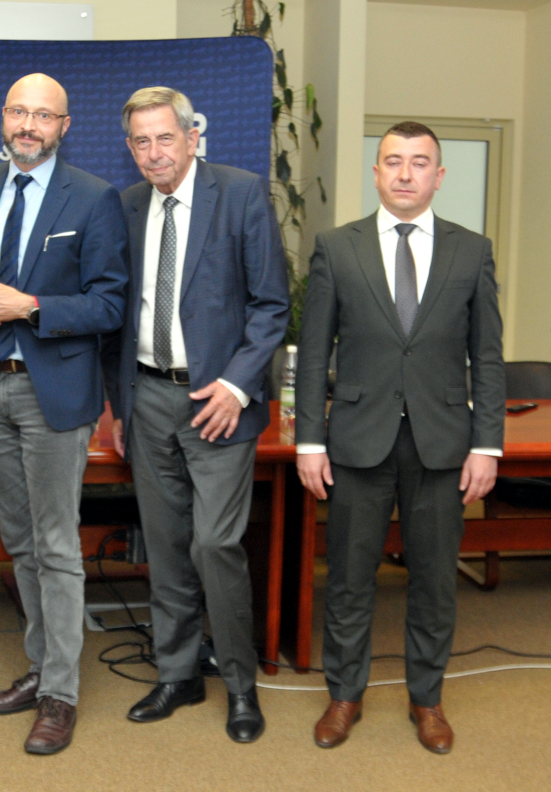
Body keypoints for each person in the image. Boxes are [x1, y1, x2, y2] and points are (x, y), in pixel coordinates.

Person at [295, 121, 505, 754]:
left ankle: (427, 700)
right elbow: (314, 355)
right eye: (393, 161)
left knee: (435, 581)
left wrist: (487, 445)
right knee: (349, 578)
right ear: (377, 172)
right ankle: (344, 696)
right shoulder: (338, 248)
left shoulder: (472, 250)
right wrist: (309, 441)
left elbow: (487, 356)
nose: (405, 173)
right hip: (357, 441)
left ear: (439, 176)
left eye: (419, 162)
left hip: (444, 444)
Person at [101, 86, 289, 743]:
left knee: (215, 544)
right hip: (147, 398)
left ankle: (239, 686)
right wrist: (120, 404)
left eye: (165, 137)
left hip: (217, 402)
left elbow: (271, 304)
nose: (154, 152)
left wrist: (236, 387)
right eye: (141, 141)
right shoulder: (126, 205)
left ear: (192, 137)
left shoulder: (239, 194)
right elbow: (117, 314)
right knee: (167, 546)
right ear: (130, 149)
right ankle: (178, 674)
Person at [0, 73, 127, 755]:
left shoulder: (93, 196)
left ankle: (61, 694)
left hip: (52, 389)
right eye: (18, 112)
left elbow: (109, 303)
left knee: (56, 545)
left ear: (64, 125)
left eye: (43, 115)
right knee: (20, 540)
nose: (28, 125)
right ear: (3, 117)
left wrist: (29, 307)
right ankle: (41, 666)